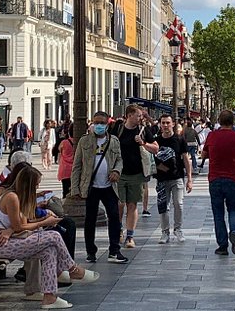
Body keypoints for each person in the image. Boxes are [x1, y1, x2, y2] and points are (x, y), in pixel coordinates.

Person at [0, 164, 96, 308]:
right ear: (28, 184)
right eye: (36, 185)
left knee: (49, 251)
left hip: (10, 239)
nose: (37, 188)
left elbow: (21, 224)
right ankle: (72, 269)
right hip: (1, 244)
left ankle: (50, 297)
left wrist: (43, 220)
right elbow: (19, 228)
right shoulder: (11, 197)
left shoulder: (18, 196)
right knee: (54, 236)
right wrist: (44, 222)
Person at [70, 111, 128, 264]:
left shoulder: (114, 141)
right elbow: (76, 166)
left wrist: (116, 171)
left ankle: (114, 251)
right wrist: (75, 189)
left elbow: (120, 160)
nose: (99, 126)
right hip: (91, 186)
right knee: (90, 219)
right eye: (96, 123)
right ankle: (91, 252)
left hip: (109, 186)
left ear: (107, 124)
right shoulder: (84, 141)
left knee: (114, 217)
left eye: (102, 123)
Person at [201, 109, 235, 255]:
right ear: (233, 121)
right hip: (233, 179)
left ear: (219, 121)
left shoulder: (212, 136)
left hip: (215, 179)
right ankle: (234, 231)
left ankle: (222, 246)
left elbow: (204, 154)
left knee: (218, 213)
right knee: (234, 209)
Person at [114, 104, 159, 248]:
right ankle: (118, 229)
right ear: (129, 115)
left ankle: (130, 236)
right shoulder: (118, 129)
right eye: (138, 115)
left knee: (132, 205)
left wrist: (143, 143)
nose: (141, 118)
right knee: (119, 204)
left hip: (137, 173)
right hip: (119, 173)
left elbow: (156, 148)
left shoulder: (143, 130)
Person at [153, 113, 192, 244]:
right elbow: (151, 159)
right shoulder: (156, 141)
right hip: (162, 179)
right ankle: (165, 232)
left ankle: (178, 229)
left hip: (177, 177)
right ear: (160, 124)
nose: (165, 125)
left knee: (179, 204)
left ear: (173, 124)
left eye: (167, 123)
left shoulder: (179, 139)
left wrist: (189, 179)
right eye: (163, 123)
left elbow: (186, 159)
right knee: (163, 206)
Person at [57, 123, 75, 198]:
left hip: (64, 169)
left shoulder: (64, 142)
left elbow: (59, 150)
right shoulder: (81, 142)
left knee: (65, 191)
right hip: (74, 169)